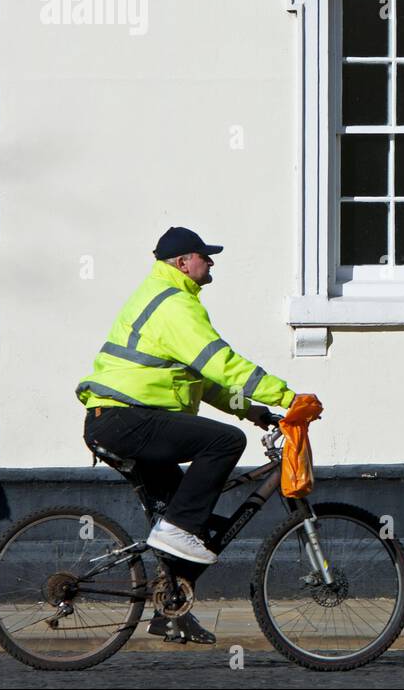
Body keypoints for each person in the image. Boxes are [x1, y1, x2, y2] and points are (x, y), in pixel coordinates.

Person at [77, 225, 318, 644]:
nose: (210, 263)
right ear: (182, 262)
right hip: (125, 419)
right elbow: (220, 362)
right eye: (204, 256)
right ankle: (174, 531)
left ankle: (171, 611)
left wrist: (258, 411)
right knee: (224, 444)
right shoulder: (173, 304)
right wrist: (288, 396)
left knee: (195, 525)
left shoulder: (167, 299)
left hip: (123, 421)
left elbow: (205, 383)